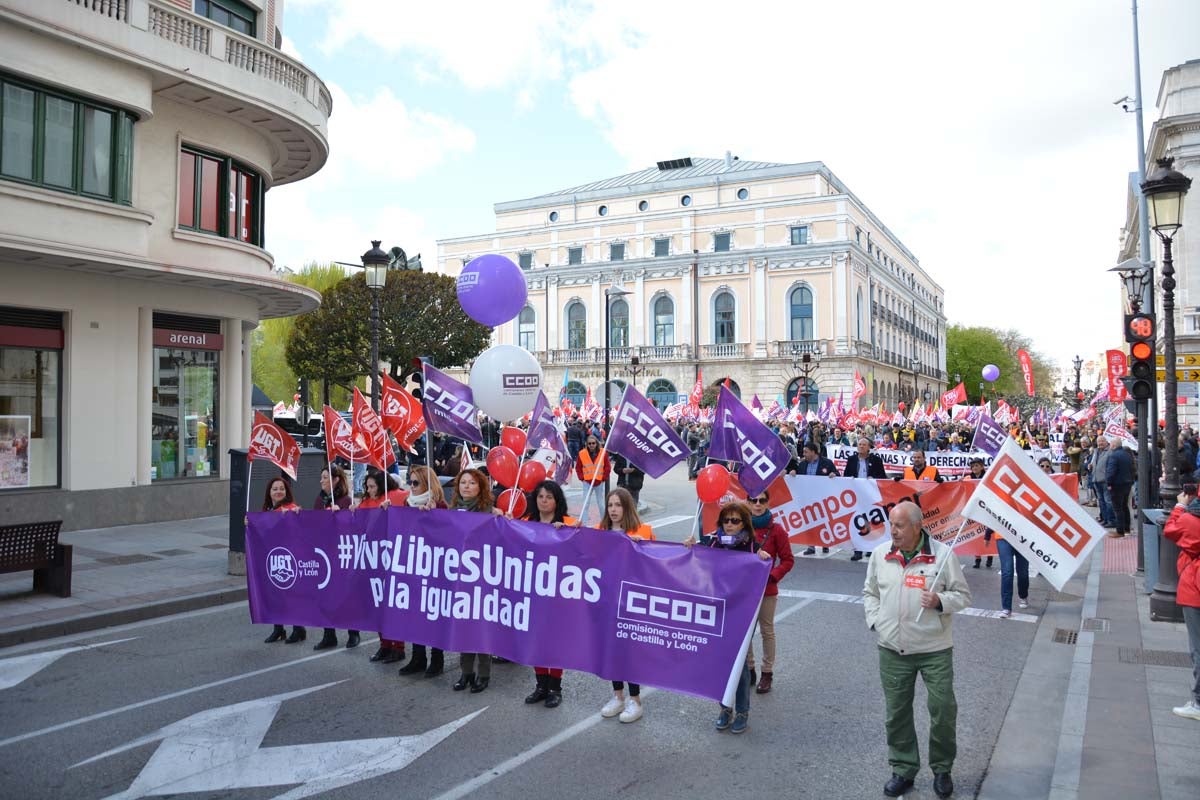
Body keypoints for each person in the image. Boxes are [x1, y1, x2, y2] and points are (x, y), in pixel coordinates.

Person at [863, 501, 972, 799]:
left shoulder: (942, 556)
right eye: (891, 525)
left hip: (934, 649)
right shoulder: (879, 555)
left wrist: (940, 601)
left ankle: (942, 768)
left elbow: (963, 595)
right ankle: (903, 768)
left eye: (899, 526)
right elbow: (870, 592)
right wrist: (876, 622)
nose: (893, 531)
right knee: (896, 713)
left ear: (917, 526)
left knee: (943, 711)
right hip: (892, 650)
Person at [684, 501, 773, 733]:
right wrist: (691, 547)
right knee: (721, 663)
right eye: (726, 520)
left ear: (744, 523)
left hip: (742, 613)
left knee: (740, 663)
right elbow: (695, 561)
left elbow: (764, 569)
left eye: (735, 521)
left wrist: (763, 559)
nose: (730, 525)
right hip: (717, 611)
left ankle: (742, 711)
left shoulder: (753, 548)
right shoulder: (713, 542)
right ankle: (725, 708)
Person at [598, 488, 654, 723]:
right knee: (612, 651)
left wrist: (641, 549)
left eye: (618, 505)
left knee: (629, 653)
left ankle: (635, 700)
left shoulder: (642, 531)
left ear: (627, 507)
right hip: (607, 601)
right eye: (610, 505)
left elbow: (655, 566)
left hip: (631, 603)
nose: (613, 510)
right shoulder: (600, 532)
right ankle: (618, 696)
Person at [520, 480, 576, 708]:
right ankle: (541, 685)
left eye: (549, 497)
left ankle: (555, 687)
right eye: (540, 496)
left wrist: (572, 533)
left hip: (557, 595)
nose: (544, 501)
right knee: (536, 640)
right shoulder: (525, 523)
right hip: (531, 593)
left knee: (555, 642)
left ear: (557, 500)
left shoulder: (567, 524)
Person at [397, 466, 448, 677]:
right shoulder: (405, 504)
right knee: (414, 615)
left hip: (433, 570)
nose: (411, 486)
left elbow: (447, 535)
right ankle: (418, 657)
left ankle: (437, 659)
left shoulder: (441, 506)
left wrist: (434, 515)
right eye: (410, 482)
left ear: (428, 484)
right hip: (412, 567)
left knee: (433, 616)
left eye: (416, 483)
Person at [744, 488, 794, 693]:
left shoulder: (777, 530)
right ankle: (750, 669)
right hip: (745, 590)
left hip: (767, 589)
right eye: (753, 500)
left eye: (762, 500)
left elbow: (788, 559)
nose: (757, 504)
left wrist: (773, 575)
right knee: (745, 633)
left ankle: (767, 673)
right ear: (747, 502)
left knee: (766, 631)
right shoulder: (741, 527)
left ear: (768, 503)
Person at [451, 468, 496, 693]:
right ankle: (465, 672)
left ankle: (484, 673)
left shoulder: (489, 512)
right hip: (459, 578)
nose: (466, 486)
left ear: (480, 487)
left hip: (482, 579)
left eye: (471, 483)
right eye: (463, 482)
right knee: (463, 627)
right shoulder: (450, 511)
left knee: (480, 627)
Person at [357, 470, 409, 663]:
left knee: (393, 606)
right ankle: (384, 645)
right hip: (374, 561)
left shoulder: (398, 496)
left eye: (373, 486)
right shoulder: (365, 502)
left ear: (382, 484)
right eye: (367, 487)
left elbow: (413, 510)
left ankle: (399, 647)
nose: (369, 490)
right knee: (378, 606)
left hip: (394, 559)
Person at [1163, 485, 1200, 722]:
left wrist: (1179, 505)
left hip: (1195, 587)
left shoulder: (1191, 520)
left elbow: (1171, 530)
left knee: (1197, 646)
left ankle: (1198, 703)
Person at [312, 466, 359, 651]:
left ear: (336, 480)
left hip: (342, 555)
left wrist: (341, 515)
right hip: (325, 554)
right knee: (326, 596)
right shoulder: (320, 499)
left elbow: (353, 528)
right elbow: (313, 523)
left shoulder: (346, 500)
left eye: (325, 477)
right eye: (321, 477)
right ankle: (328, 634)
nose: (321, 480)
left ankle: (353, 632)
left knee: (346, 595)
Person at [261, 476, 305, 645]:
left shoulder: (292, 509)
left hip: (289, 560)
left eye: (282, 488)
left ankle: (298, 628)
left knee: (291, 595)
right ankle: (278, 629)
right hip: (273, 559)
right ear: (269, 493)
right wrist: (249, 524)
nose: (278, 491)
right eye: (275, 489)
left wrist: (294, 517)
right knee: (275, 595)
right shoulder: (267, 511)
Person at [844, 437, 888, 561]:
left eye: (864, 444)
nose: (861, 446)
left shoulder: (876, 460)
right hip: (855, 495)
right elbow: (846, 475)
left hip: (870, 496)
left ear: (869, 447)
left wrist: (873, 478)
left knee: (871, 521)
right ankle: (858, 550)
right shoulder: (852, 459)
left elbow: (882, 477)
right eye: (859, 444)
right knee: (856, 521)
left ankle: (870, 548)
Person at [795, 442, 836, 555]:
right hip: (807, 498)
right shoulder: (802, 464)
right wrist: (792, 473)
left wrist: (834, 474)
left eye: (806, 452)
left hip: (822, 498)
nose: (804, 454)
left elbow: (836, 473)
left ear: (813, 452)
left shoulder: (827, 463)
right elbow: (796, 477)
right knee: (809, 522)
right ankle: (811, 546)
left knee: (824, 521)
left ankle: (825, 543)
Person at [575, 435, 610, 526]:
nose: (591, 445)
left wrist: (603, 478)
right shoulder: (582, 453)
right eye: (589, 443)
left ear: (596, 443)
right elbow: (578, 467)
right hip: (587, 482)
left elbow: (607, 467)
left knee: (601, 504)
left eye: (593, 443)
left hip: (599, 482)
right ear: (587, 444)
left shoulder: (603, 452)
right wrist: (582, 478)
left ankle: (604, 522)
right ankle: (584, 524)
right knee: (585, 504)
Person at [967, 459, 994, 571]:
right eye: (972, 466)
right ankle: (977, 559)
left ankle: (990, 555)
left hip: (987, 507)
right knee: (976, 535)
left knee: (988, 533)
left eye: (977, 465)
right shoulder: (968, 478)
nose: (974, 468)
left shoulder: (988, 476)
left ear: (982, 467)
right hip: (975, 508)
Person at [1105, 438, 1135, 538]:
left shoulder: (1114, 456)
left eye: (1110, 444)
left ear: (1113, 445)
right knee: (1124, 506)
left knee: (1118, 508)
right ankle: (1127, 529)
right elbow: (1132, 468)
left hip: (1117, 484)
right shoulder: (1127, 454)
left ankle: (1120, 531)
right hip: (1127, 483)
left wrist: (1108, 483)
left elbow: (1111, 471)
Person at [1091, 437, 1115, 528]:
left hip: (1105, 480)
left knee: (1108, 501)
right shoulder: (1096, 451)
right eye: (1099, 441)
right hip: (1096, 479)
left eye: (1102, 441)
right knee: (1101, 501)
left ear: (1106, 442)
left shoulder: (1110, 452)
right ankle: (1104, 519)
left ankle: (1111, 520)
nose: (1100, 443)